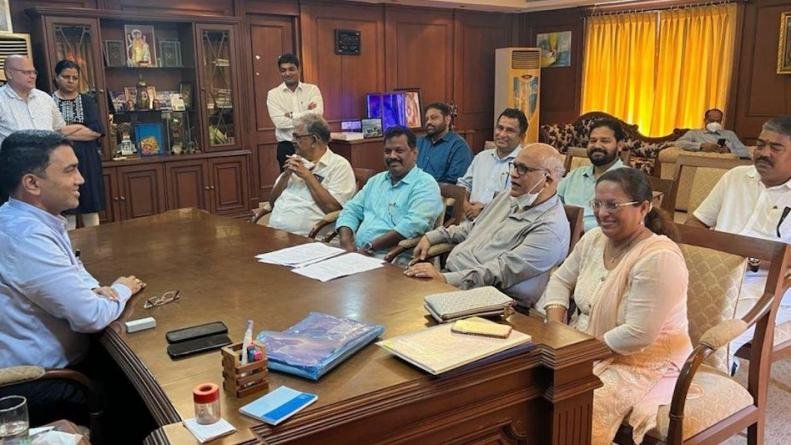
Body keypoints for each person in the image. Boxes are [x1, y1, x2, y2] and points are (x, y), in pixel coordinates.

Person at [0, 130, 145, 424]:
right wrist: (122, 289)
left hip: (59, 362)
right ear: (32, 183)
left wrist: (95, 289)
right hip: (37, 382)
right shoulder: (26, 237)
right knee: (140, 395)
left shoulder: (28, 218)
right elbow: (89, 316)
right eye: (70, 170)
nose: (81, 179)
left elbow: (76, 270)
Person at [542, 167, 691, 444]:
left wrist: (576, 352)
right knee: (525, 386)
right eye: (597, 204)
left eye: (613, 205)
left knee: (573, 405)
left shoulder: (658, 258)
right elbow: (560, 280)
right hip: (581, 345)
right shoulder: (594, 239)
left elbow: (638, 334)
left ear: (643, 207)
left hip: (640, 361)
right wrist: (555, 328)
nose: (602, 213)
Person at [405, 143, 570, 309]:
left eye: (523, 169)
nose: (513, 174)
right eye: (514, 166)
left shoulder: (550, 228)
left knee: (409, 311)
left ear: (547, 180)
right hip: (456, 280)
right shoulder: (511, 196)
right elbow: (473, 227)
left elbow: (500, 272)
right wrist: (433, 236)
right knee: (402, 299)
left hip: (493, 300)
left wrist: (445, 279)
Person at [686, 116, 791, 370]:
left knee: (717, 333)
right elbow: (695, 224)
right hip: (714, 273)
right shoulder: (735, 177)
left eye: (776, 148)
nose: (763, 153)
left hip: (771, 287)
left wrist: (750, 260)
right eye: (760, 144)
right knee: (660, 305)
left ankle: (717, 381)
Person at [336, 126, 444, 258]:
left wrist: (370, 246)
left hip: (393, 258)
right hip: (358, 254)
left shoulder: (425, 184)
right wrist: (346, 242)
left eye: (399, 151)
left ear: (414, 153)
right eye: (387, 151)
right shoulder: (376, 181)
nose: (392, 156)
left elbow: (414, 225)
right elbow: (351, 210)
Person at [265, 114, 356, 236]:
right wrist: (286, 176)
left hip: (308, 238)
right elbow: (272, 202)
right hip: (274, 233)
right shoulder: (295, 160)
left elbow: (333, 209)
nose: (292, 141)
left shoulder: (339, 165)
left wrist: (307, 176)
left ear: (314, 140)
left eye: (297, 137)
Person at [52, 60, 106, 230]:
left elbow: (96, 132)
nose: (71, 81)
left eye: (75, 78)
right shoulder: (48, 100)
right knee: (67, 209)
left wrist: (63, 131)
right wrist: (80, 127)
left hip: (88, 159)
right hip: (59, 160)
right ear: (57, 77)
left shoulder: (87, 101)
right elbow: (49, 131)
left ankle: (95, 243)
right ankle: (70, 245)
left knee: (90, 206)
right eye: (66, 77)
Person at [558, 118, 628, 232]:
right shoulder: (576, 174)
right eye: (593, 140)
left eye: (605, 141)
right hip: (562, 233)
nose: (597, 146)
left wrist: (579, 226)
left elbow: (624, 221)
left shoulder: (628, 179)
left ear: (619, 145)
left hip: (602, 238)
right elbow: (552, 201)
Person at [457, 108, 526, 220]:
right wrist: (466, 207)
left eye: (510, 130)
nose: (502, 134)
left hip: (500, 224)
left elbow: (520, 201)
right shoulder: (481, 157)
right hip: (468, 221)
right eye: (500, 128)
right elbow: (464, 185)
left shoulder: (525, 165)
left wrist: (484, 210)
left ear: (522, 137)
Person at [0, 55, 85, 145]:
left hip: (49, 153)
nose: (33, 76)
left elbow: (60, 129)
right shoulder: (2, 100)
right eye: (27, 72)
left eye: (34, 72)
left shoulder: (45, 98)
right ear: (9, 74)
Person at [266, 53, 324, 171]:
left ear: (299, 69)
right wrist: (308, 113)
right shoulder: (273, 94)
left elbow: (318, 114)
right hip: (287, 147)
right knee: (289, 181)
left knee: (316, 179)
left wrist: (293, 115)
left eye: (291, 69)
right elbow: (280, 123)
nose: (287, 73)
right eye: (283, 70)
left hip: (312, 145)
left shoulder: (312, 90)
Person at [416, 102, 473, 184]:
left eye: (434, 118)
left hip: (440, 191)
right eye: (427, 119)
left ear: (447, 120)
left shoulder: (458, 146)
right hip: (413, 188)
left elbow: (454, 182)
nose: (428, 122)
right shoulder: (420, 142)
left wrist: (427, 188)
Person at [675, 108, 750, 158]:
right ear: (705, 120)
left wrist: (729, 150)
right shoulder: (694, 133)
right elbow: (679, 143)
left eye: (718, 121)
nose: (715, 123)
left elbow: (745, 152)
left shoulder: (729, 134)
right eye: (712, 121)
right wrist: (701, 146)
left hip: (726, 165)